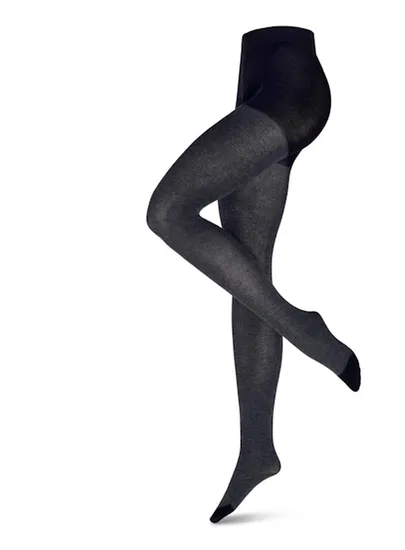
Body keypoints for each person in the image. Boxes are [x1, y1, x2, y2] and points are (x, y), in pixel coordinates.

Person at [146, 25, 360, 523]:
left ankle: (307, 332)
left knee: (167, 212)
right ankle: (257, 450)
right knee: (248, 269)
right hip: (260, 84)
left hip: (291, 89)